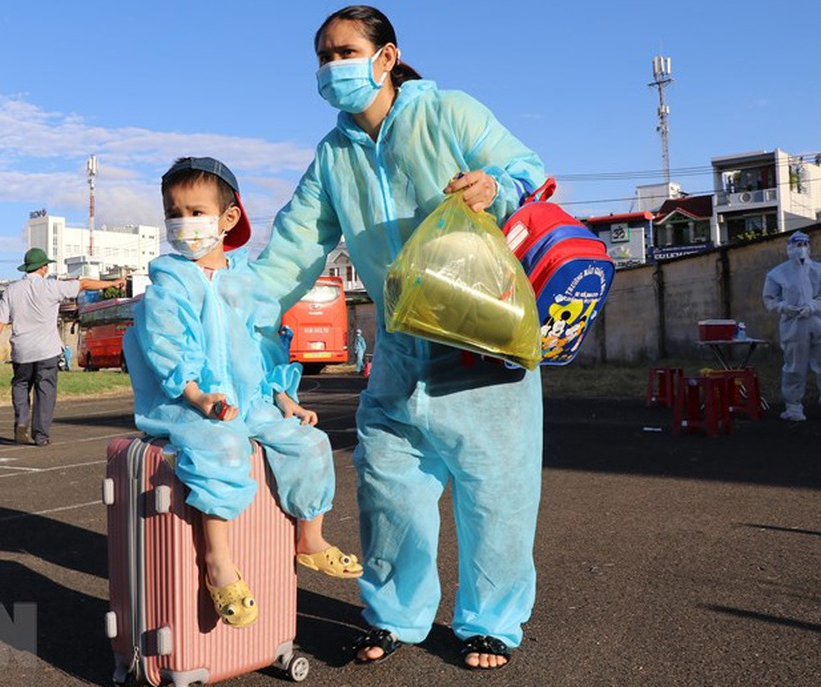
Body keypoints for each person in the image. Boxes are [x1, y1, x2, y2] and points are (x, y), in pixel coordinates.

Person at [251, 5, 546, 670]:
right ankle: (395, 614)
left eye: (345, 52)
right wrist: (241, 309)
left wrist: (495, 184)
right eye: (323, 56)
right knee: (388, 483)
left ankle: (489, 622)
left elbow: (529, 171)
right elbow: (293, 248)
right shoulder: (333, 155)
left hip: (479, 331)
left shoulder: (449, 114)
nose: (332, 68)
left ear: (386, 58)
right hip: (399, 341)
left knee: (494, 489)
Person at [123, 156, 362, 629]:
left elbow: (264, 343)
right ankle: (218, 561)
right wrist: (197, 396)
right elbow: (165, 345)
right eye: (175, 212)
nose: (183, 223)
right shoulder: (168, 286)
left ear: (228, 218)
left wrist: (283, 397)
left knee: (308, 442)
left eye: (196, 212)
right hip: (184, 403)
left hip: (249, 399)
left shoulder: (245, 282)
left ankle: (310, 537)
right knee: (224, 447)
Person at [0, 248, 126, 446]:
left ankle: (22, 421)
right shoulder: (52, 287)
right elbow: (83, 284)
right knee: (45, 390)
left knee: (21, 384)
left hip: (22, 351)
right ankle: (41, 435)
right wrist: (112, 283)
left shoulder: (12, 290)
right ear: (42, 267)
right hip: (47, 350)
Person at [762, 231, 821, 422]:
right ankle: (794, 407)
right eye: (797, 245)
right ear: (789, 248)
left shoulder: (818, 270)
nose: (801, 248)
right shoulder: (778, 273)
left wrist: (812, 306)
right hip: (794, 325)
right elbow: (769, 299)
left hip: (818, 321)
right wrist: (784, 307)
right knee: (795, 366)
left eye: (804, 244)